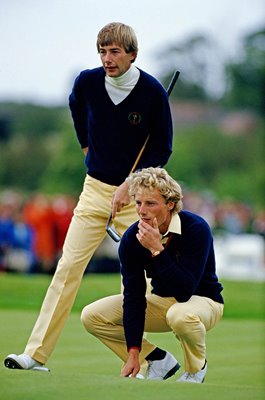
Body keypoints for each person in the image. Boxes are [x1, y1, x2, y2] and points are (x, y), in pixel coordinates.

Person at [4, 23, 173, 371]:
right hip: (94, 190)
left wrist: (133, 184)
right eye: (102, 51)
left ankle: (152, 359)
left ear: (132, 55)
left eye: (114, 52)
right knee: (66, 269)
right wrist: (86, 147)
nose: (106, 59)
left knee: (136, 282)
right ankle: (35, 355)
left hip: (136, 197)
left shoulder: (153, 93)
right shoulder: (87, 82)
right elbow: (76, 109)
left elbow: (162, 147)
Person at [80, 167, 224, 383]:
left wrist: (157, 250)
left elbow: (185, 291)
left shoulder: (196, 228)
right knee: (91, 316)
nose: (142, 211)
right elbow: (134, 297)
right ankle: (157, 360)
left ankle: (196, 369)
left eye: (150, 203)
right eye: (138, 203)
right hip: (164, 304)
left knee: (180, 314)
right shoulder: (131, 239)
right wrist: (134, 353)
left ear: (170, 204)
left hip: (204, 302)